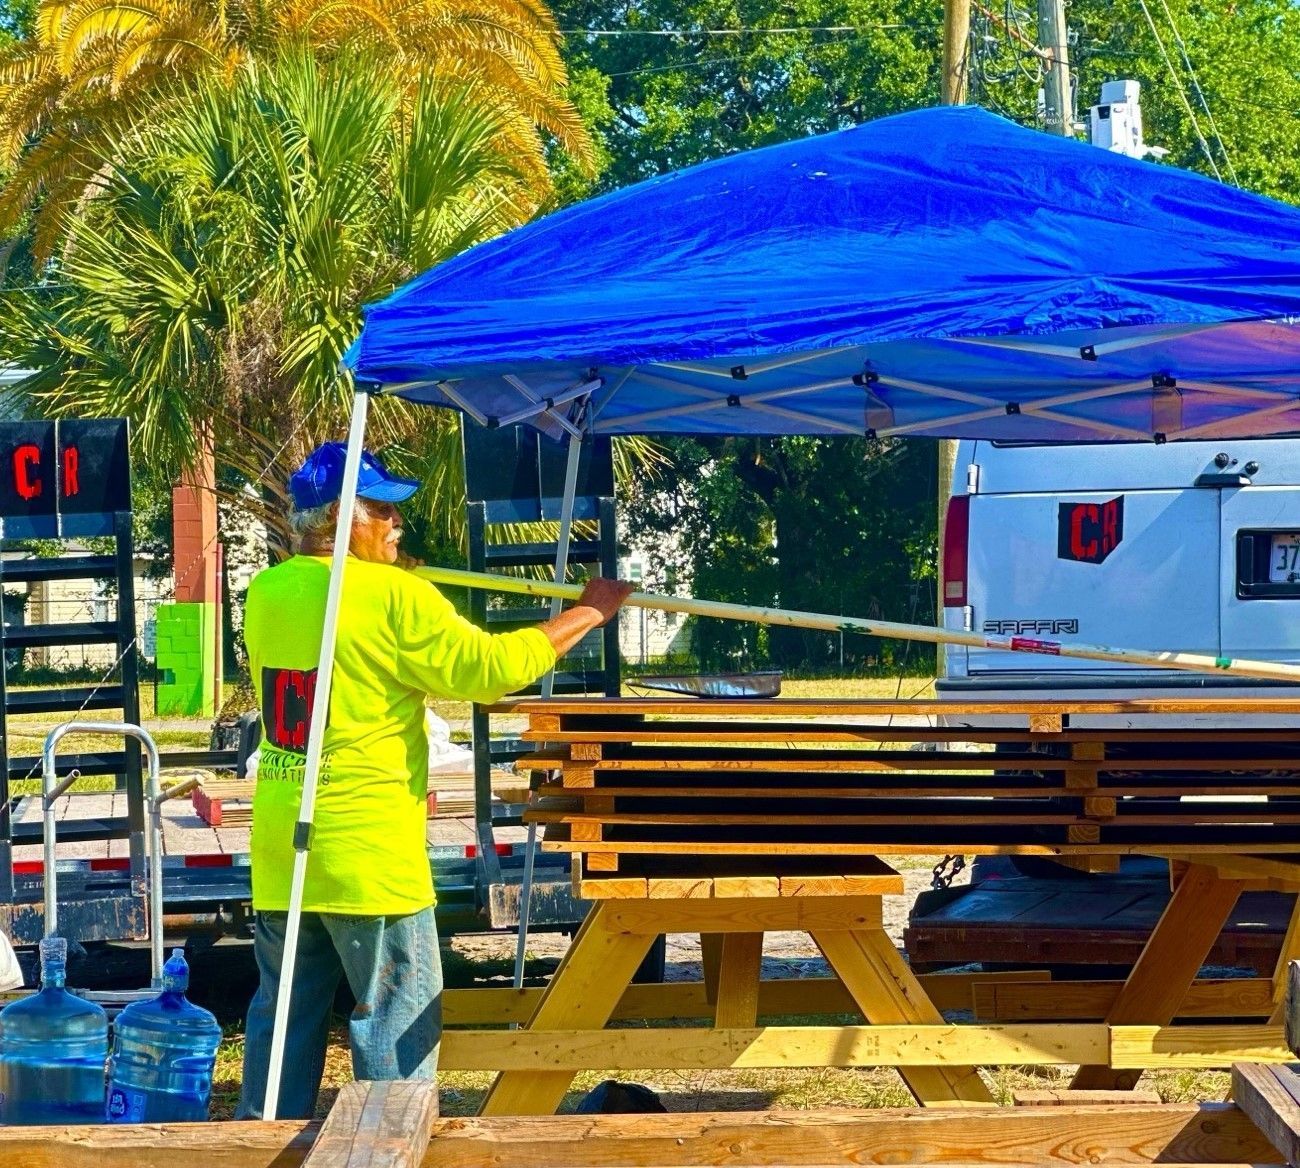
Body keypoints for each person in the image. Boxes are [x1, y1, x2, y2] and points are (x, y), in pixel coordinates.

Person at [236, 441, 631, 1119]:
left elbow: (351, 652)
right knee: (397, 1019)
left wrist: (385, 577)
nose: (399, 526)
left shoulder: (267, 591)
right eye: (385, 513)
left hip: (284, 846)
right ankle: (390, 1148)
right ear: (347, 520)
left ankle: (252, 1147)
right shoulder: (395, 595)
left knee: (283, 1027)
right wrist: (589, 611)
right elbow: (488, 670)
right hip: (367, 852)